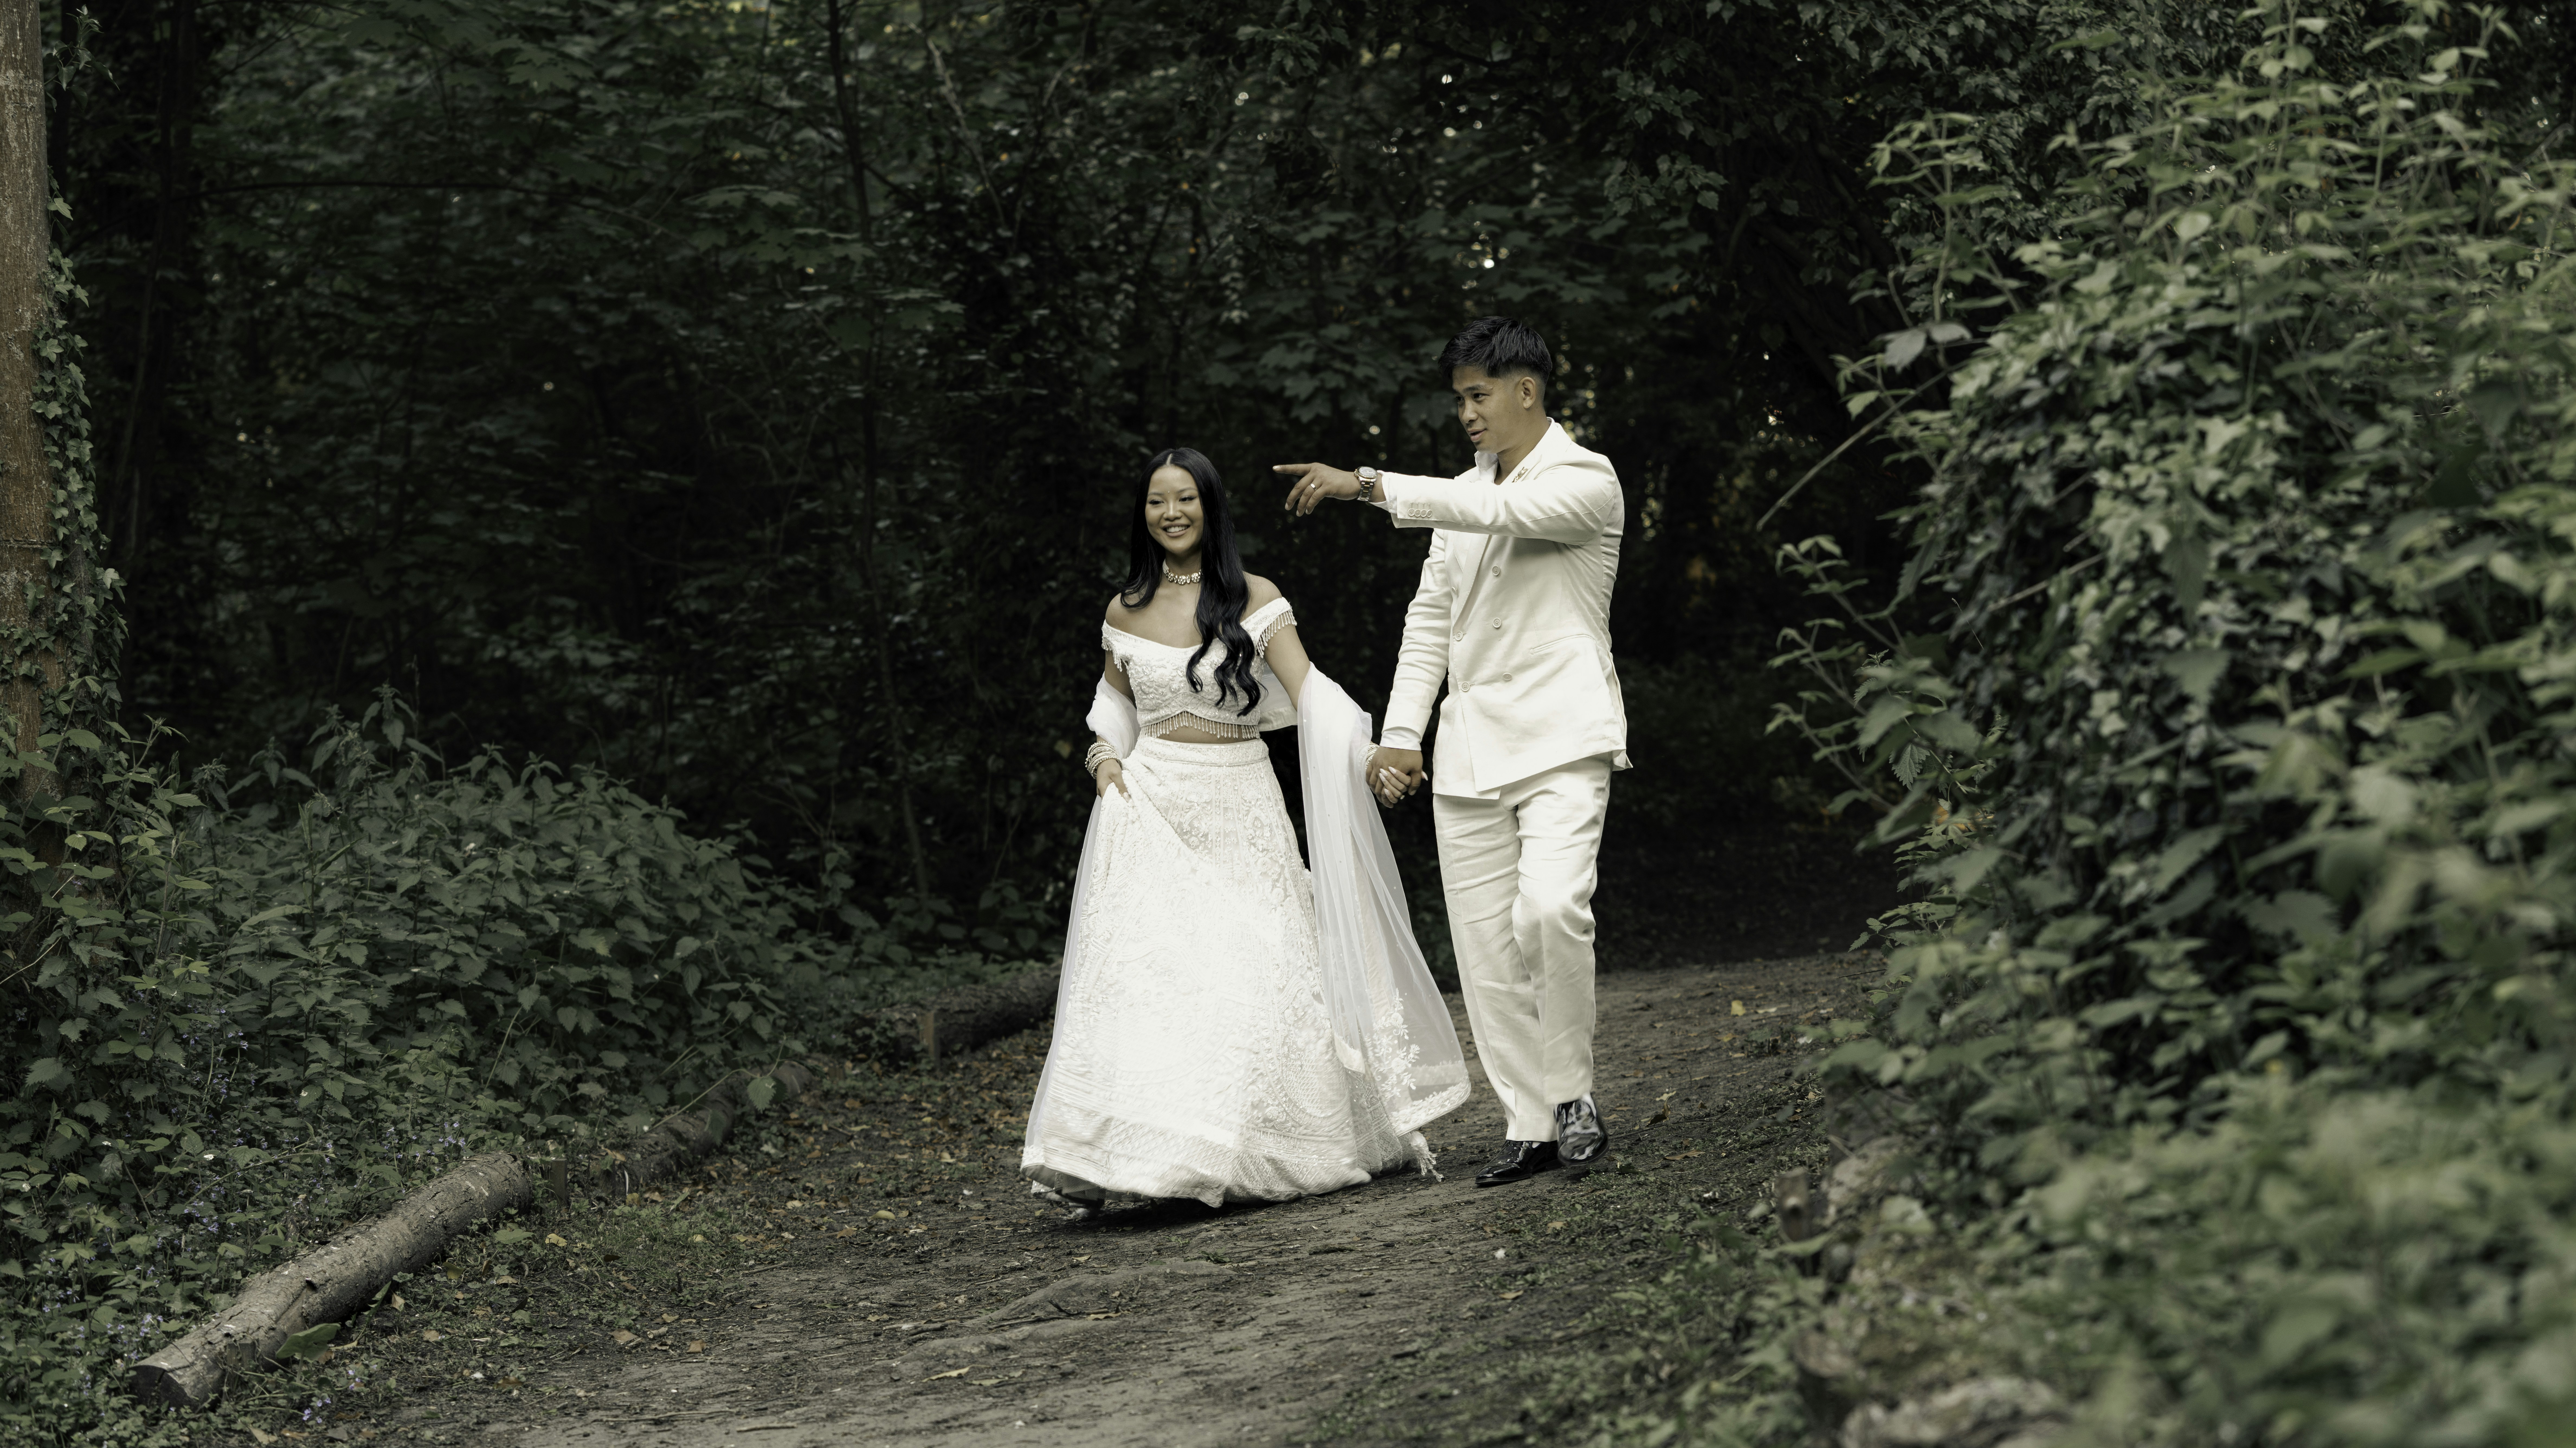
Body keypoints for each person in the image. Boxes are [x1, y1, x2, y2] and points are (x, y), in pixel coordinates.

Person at [1020, 447, 1469, 1210]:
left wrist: (1371, 754)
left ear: (1210, 508)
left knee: (1256, 966)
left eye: (1186, 500)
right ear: (1144, 513)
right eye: (1158, 501)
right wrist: (1103, 762)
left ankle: (1232, 1147)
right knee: (1155, 977)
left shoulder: (1255, 598)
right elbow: (1113, 705)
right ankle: (1133, 1156)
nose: (1171, 513)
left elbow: (1313, 694)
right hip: (1153, 802)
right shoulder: (1122, 607)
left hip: (1240, 802)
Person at [1273, 316, 1627, 1188]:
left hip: (1562, 739)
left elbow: (1500, 510)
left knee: (1548, 911)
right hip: (1468, 751)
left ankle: (1575, 1095)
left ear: (1526, 391)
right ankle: (1531, 1121)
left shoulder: (1586, 479)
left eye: (1478, 396)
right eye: (1459, 399)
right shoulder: (1465, 490)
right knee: (1486, 952)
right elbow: (1431, 618)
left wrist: (1366, 484)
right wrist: (1402, 734)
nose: (1466, 414)